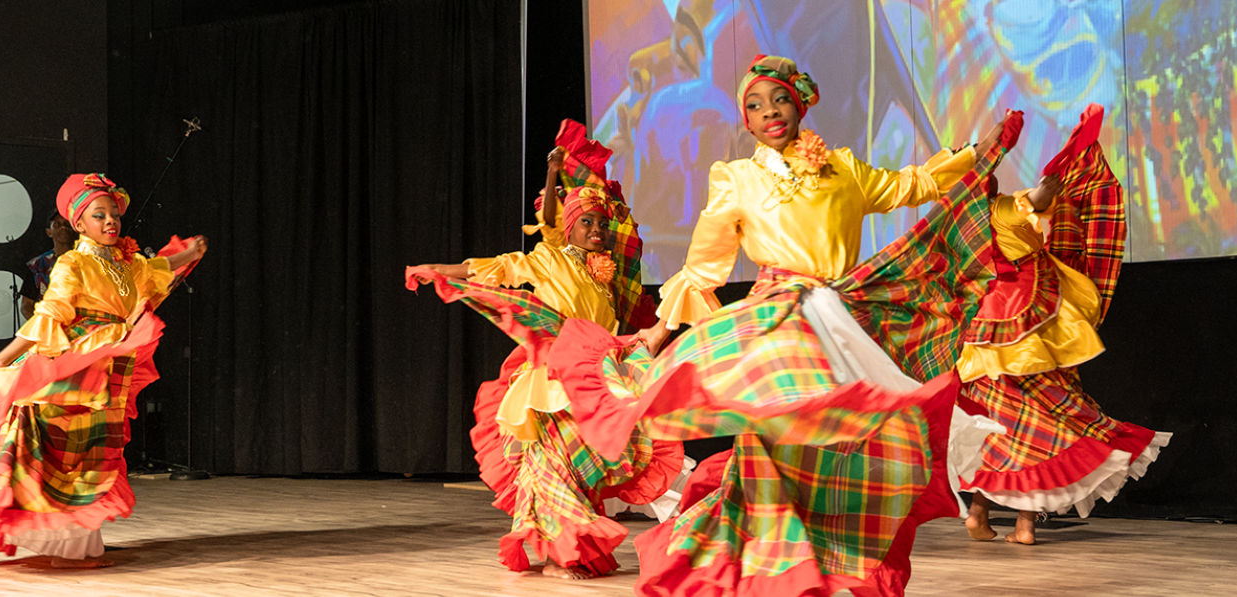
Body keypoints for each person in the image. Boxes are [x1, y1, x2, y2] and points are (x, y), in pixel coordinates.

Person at [561, 55, 1019, 596]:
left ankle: (816, 558)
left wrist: (979, 152)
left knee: (854, 441)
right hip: (778, 315)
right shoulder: (737, 178)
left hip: (839, 322)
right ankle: (764, 564)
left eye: (779, 99)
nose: (769, 112)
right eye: (754, 105)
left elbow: (912, 184)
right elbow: (705, 263)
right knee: (774, 442)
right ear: (746, 121)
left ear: (800, 104)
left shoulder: (843, 168)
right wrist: (661, 331)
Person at [407, 120, 682, 580]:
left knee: (605, 451)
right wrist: (437, 270)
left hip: (598, 370)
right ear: (569, 229)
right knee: (550, 462)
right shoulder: (545, 258)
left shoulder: (606, 272)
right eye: (588, 224)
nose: (597, 231)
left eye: (601, 224)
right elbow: (488, 268)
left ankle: (607, 536)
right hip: (552, 376)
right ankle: (562, 552)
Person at [0, 173, 208, 567]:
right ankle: (67, 546)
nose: (110, 221)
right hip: (75, 365)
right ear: (79, 223)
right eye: (99, 215)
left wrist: (190, 253)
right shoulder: (72, 263)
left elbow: (157, 270)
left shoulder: (125, 263)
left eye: (113, 214)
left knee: (93, 453)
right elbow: (49, 315)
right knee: (67, 454)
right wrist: (5, 357)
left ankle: (80, 544)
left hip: (107, 365)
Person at [955, 104, 1170, 544]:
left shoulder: (956, 224)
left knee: (1000, 426)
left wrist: (1041, 193)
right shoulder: (996, 209)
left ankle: (983, 515)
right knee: (1035, 426)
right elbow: (1027, 206)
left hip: (987, 333)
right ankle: (1023, 523)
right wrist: (1046, 191)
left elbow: (1028, 207)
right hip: (1027, 321)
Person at [20, 211, 76, 320]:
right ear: (49, 232)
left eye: (67, 224)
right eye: (57, 225)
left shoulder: (86, 261)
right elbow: (26, 306)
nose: (63, 227)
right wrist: (42, 329)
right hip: (48, 325)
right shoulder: (36, 265)